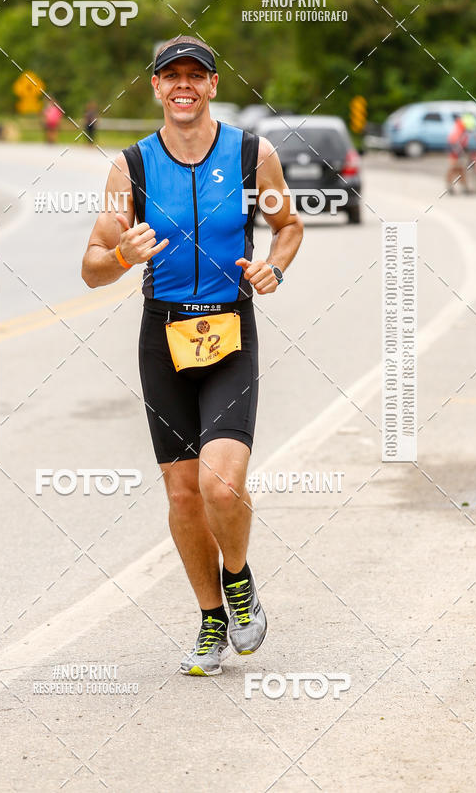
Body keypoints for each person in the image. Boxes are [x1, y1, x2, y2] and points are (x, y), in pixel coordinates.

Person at [81, 35, 303, 676]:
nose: (183, 85)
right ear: (156, 87)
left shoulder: (250, 155)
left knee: (220, 484)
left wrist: (274, 269)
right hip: (164, 336)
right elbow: (93, 267)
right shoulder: (131, 169)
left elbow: (288, 225)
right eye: (170, 75)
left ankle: (239, 578)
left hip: (230, 330)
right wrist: (124, 255)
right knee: (183, 496)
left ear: (211, 85)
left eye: (195, 75)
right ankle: (211, 619)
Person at [446, 113, 470, 192]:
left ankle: (464, 187)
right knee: (454, 169)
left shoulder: (462, 129)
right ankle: (450, 186)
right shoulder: (459, 129)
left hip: (458, 152)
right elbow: (453, 141)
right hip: (455, 153)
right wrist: (460, 153)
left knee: (460, 170)